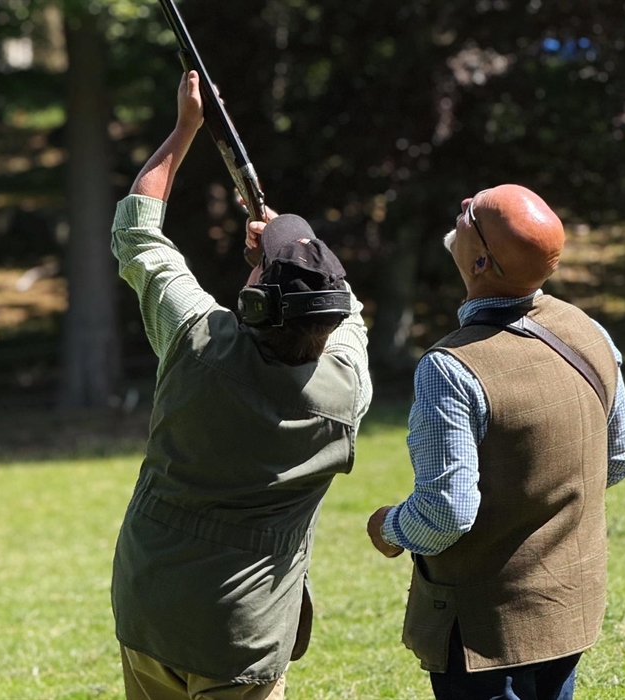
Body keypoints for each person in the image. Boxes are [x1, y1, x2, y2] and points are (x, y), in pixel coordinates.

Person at [110, 70, 372, 699]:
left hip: (149, 606)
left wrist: (186, 128)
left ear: (254, 302)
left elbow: (137, 233)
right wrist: (287, 256)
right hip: (242, 635)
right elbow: (346, 314)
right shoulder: (347, 392)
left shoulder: (194, 339)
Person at [366, 184, 625, 700]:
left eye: (474, 213)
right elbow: (618, 458)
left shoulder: (449, 369)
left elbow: (446, 513)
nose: (463, 204)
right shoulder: (589, 332)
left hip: (483, 634)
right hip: (568, 612)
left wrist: (390, 527)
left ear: (481, 263)